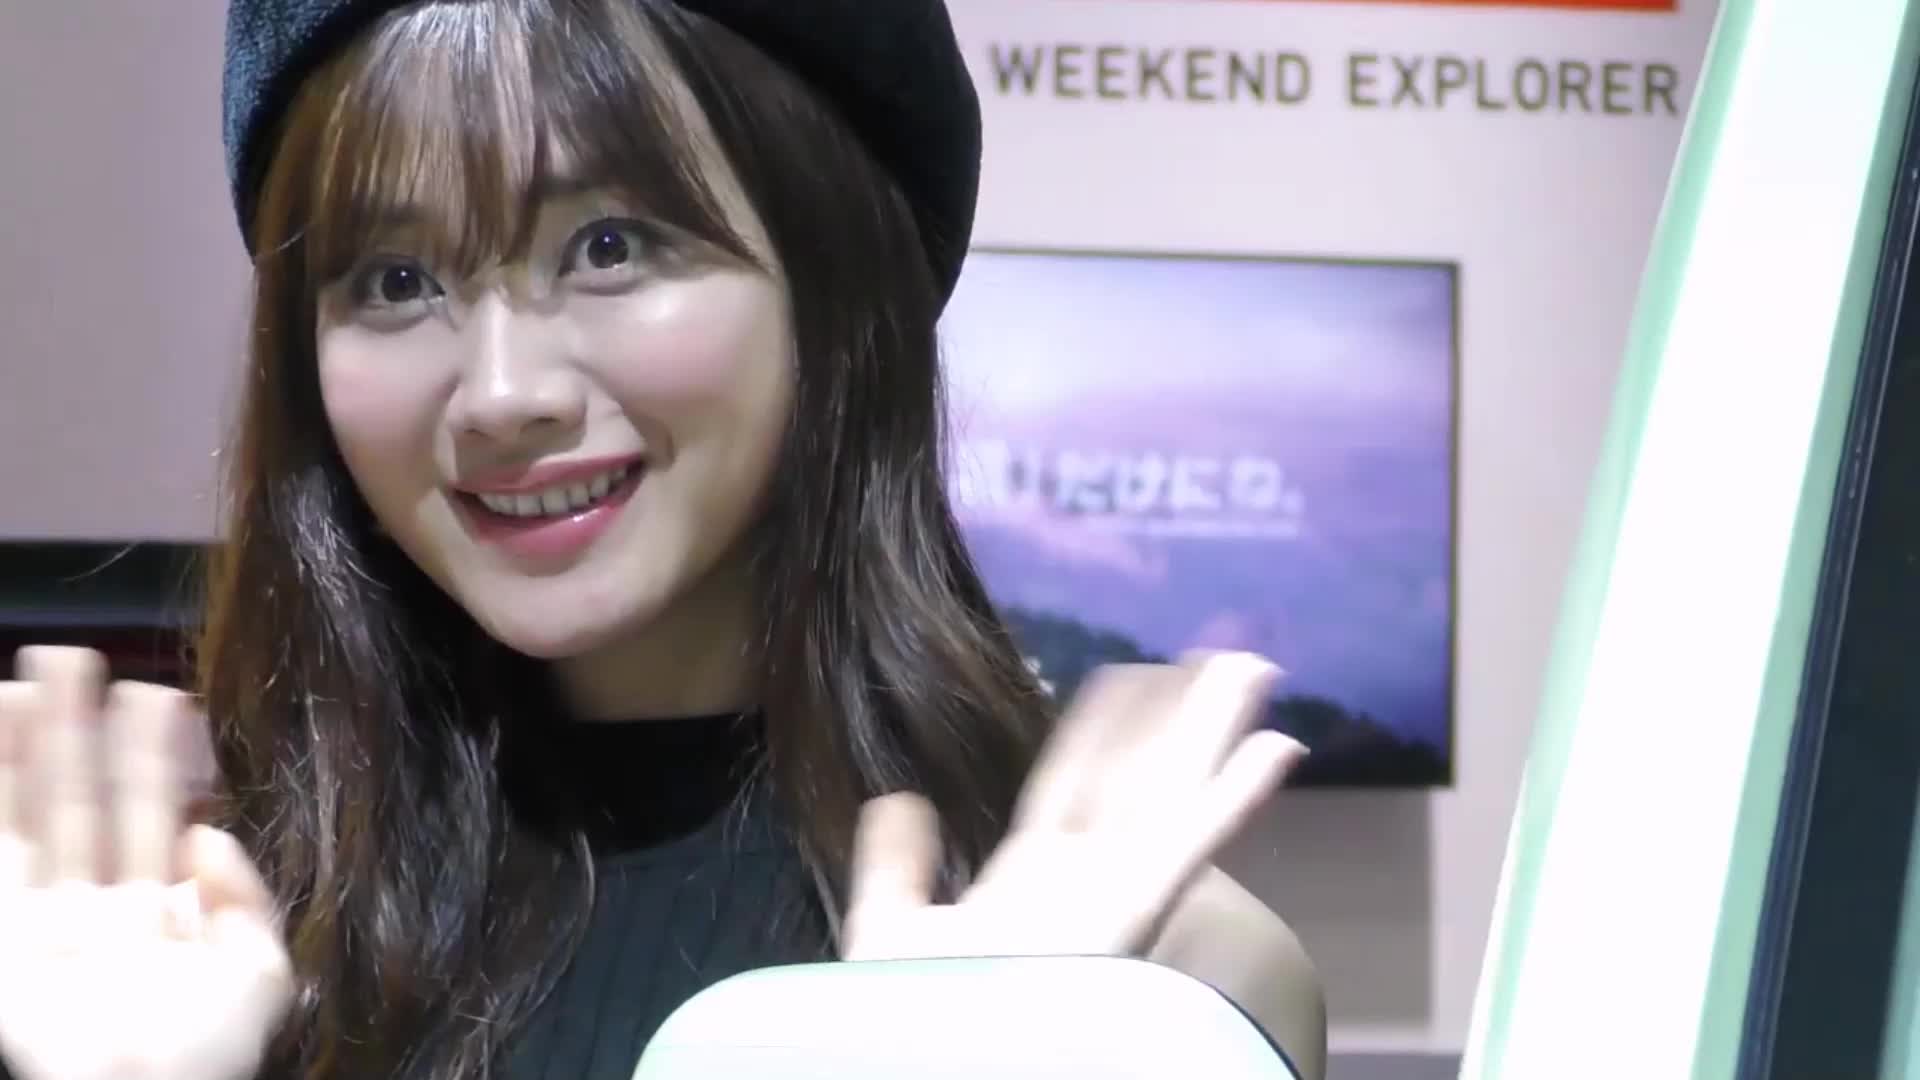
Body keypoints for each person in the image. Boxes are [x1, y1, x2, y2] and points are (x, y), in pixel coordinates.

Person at [0, 1, 1328, 1078]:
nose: (503, 392)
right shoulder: (183, 937)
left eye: (609, 247)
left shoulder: (1142, 966)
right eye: (396, 280)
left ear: (834, 279)